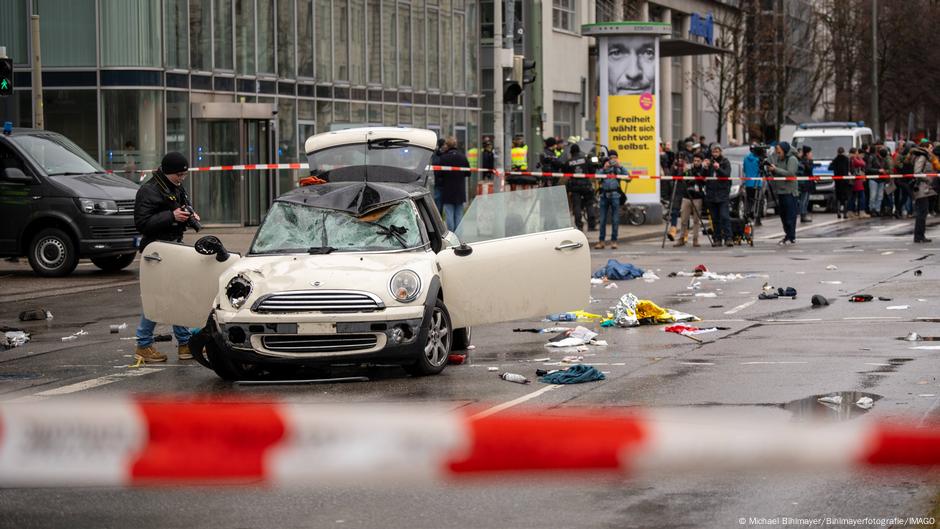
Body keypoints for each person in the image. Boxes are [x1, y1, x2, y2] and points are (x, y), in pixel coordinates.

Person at [133, 152, 199, 363]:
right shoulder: (148, 190)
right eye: (178, 174)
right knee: (158, 297)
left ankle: (184, 343)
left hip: (172, 247)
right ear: (167, 172)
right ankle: (144, 344)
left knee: (176, 295)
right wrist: (171, 216)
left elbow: (177, 210)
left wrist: (188, 217)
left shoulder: (174, 187)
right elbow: (142, 223)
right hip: (156, 251)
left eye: (184, 175)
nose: (181, 178)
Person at [768, 142, 800, 244]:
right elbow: (778, 172)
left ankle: (791, 236)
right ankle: (788, 234)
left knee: (790, 216)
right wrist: (772, 170)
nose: (777, 152)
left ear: (784, 150)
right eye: (777, 150)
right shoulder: (779, 159)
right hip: (780, 191)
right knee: (783, 216)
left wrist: (776, 169)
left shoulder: (792, 159)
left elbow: (790, 173)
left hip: (790, 192)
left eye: (779, 150)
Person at [595, 150, 627, 249]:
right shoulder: (604, 167)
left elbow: (628, 177)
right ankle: (601, 241)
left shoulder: (619, 168)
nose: (612, 160)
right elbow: (597, 176)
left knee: (615, 219)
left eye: (614, 158)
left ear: (617, 158)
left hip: (615, 195)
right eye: (611, 158)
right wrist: (604, 168)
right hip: (604, 195)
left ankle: (614, 241)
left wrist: (620, 166)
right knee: (603, 219)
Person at [437, 137, 470, 232]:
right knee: (459, 214)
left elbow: (439, 174)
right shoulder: (462, 157)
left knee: (449, 214)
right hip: (460, 191)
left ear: (447, 146)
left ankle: (452, 235)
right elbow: (468, 173)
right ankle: (459, 235)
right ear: (455, 145)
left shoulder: (444, 158)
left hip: (447, 190)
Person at [703, 143, 733, 247]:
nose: (715, 153)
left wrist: (718, 168)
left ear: (720, 152)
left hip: (722, 194)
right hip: (711, 194)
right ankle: (717, 238)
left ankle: (728, 238)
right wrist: (705, 168)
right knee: (715, 218)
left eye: (717, 151)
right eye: (713, 151)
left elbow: (726, 175)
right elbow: (703, 177)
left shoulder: (725, 162)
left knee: (724, 216)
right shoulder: (709, 162)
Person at [675, 152, 707, 247]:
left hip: (697, 197)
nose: (696, 162)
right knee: (684, 220)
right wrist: (683, 170)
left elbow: (703, 180)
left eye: (698, 161)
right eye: (695, 160)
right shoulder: (688, 168)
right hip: (686, 196)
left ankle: (695, 239)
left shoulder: (703, 169)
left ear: (701, 161)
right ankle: (681, 238)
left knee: (696, 220)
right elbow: (679, 178)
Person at [564, 144, 596, 232]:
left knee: (577, 206)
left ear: (571, 152)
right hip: (586, 185)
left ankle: (579, 225)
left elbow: (565, 173)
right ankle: (591, 226)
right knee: (589, 204)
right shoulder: (585, 159)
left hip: (574, 186)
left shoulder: (569, 161)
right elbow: (592, 171)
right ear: (578, 151)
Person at [910, 138, 936, 243]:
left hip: (924, 187)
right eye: (930, 148)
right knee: (922, 212)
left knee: (923, 212)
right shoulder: (922, 156)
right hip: (921, 188)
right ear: (925, 148)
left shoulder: (924, 156)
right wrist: (928, 179)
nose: (931, 150)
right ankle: (919, 236)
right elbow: (917, 171)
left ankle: (920, 235)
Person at [743, 144, 763, 225]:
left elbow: (744, 169)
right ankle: (757, 218)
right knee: (758, 201)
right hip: (757, 183)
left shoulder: (745, 158)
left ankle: (747, 216)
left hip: (748, 183)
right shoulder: (758, 159)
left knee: (749, 201)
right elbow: (762, 170)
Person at [829, 146, 851, 218]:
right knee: (845, 197)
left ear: (837, 152)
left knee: (838, 197)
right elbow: (848, 168)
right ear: (844, 152)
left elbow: (830, 168)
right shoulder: (846, 159)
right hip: (845, 181)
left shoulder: (835, 160)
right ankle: (845, 213)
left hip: (838, 181)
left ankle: (838, 212)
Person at [866, 145, 888, 216]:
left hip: (881, 179)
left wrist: (885, 171)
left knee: (880, 196)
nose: (882, 158)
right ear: (878, 154)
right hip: (873, 179)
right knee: (873, 195)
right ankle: (872, 209)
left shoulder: (884, 158)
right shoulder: (872, 157)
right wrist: (878, 170)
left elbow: (887, 167)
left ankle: (877, 209)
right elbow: (868, 169)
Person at [849, 148, 868, 218]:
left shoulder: (851, 158)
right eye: (857, 152)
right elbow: (863, 163)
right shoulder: (853, 159)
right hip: (857, 179)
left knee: (853, 196)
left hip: (853, 179)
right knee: (861, 196)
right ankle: (861, 211)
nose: (858, 154)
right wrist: (859, 158)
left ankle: (851, 211)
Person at [798, 145, 815, 223]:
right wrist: (810, 162)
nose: (812, 154)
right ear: (807, 153)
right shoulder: (803, 161)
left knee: (806, 199)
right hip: (804, 183)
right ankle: (803, 215)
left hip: (808, 183)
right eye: (811, 152)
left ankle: (804, 213)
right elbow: (808, 169)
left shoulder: (807, 161)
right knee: (803, 200)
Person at [431, 138, 446, 213]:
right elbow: (436, 167)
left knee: (441, 202)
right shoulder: (436, 155)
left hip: (443, 182)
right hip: (439, 182)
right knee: (438, 202)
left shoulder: (444, 154)